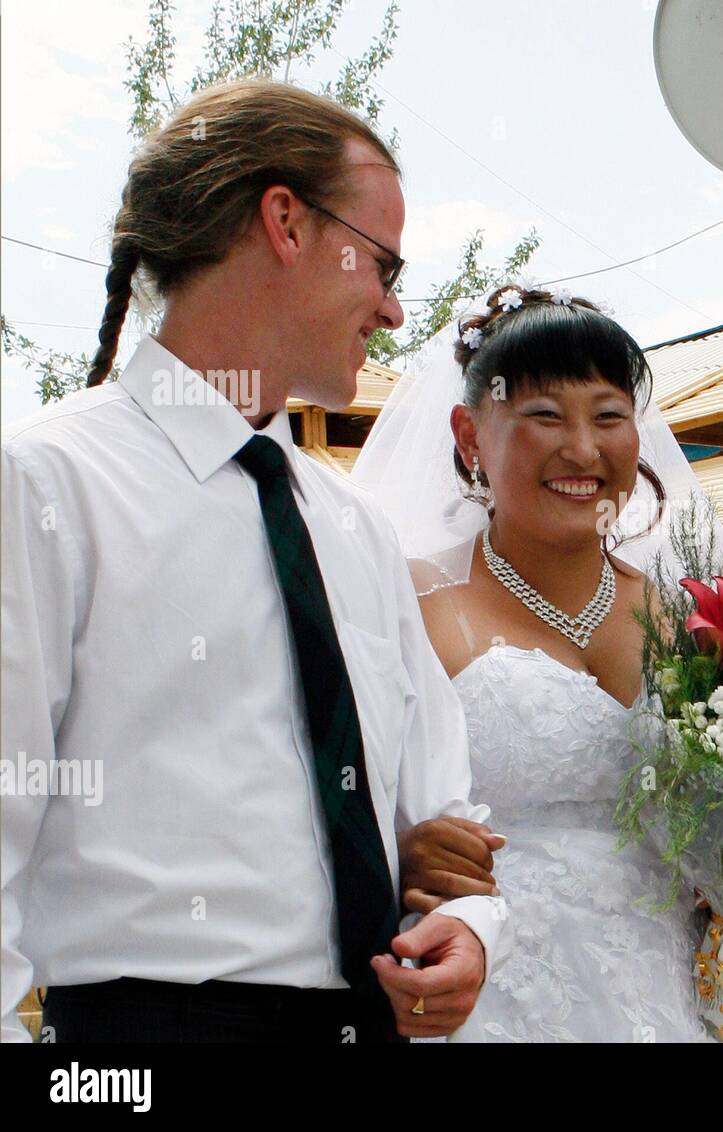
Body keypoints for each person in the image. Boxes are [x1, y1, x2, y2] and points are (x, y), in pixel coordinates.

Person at [1, 79, 507, 1043]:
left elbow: (440, 806)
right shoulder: (40, 485)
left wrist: (472, 925)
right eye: (383, 264)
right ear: (285, 220)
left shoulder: (355, 526)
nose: (396, 311)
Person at [353, 285, 723, 1042]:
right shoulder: (412, 599)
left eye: (610, 417)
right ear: (469, 435)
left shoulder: (698, 620)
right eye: (545, 416)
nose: (584, 450)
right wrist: (397, 853)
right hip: (490, 1002)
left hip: (669, 1003)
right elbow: (338, 799)